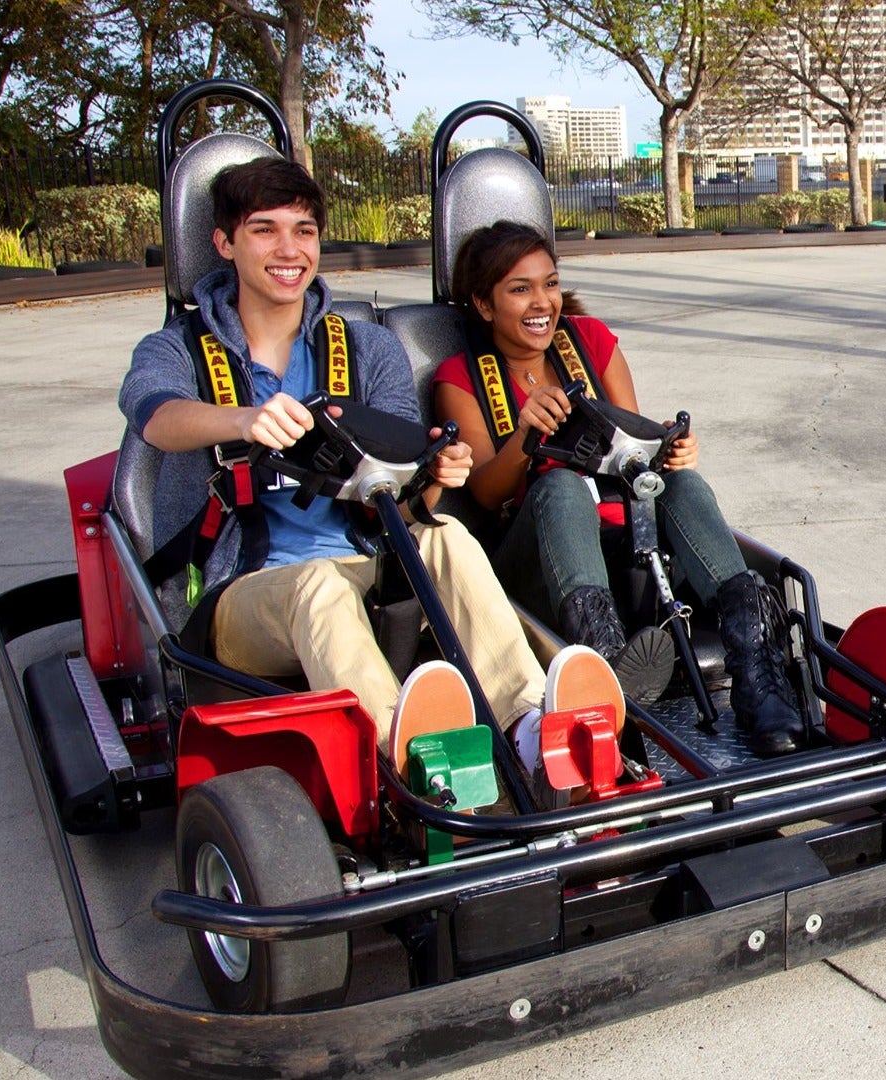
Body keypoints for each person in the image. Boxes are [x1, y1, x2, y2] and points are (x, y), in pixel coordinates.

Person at [118, 159, 586, 782]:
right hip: (245, 592)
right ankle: (406, 757)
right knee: (319, 587)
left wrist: (434, 476)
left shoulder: (366, 348)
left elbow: (402, 484)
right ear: (224, 243)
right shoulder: (176, 347)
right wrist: (240, 420)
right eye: (265, 230)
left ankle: (530, 726)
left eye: (304, 230)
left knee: (445, 537)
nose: (289, 250)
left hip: (366, 563)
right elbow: (154, 416)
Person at [430, 219, 805, 755]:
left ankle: (758, 674)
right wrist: (525, 434)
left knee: (682, 485)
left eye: (550, 283)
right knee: (559, 486)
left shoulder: (590, 342)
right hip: (532, 561)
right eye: (520, 289)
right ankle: (606, 675)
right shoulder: (460, 377)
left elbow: (634, 442)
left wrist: (671, 452)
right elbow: (487, 495)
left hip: (624, 541)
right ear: (484, 304)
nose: (542, 302)